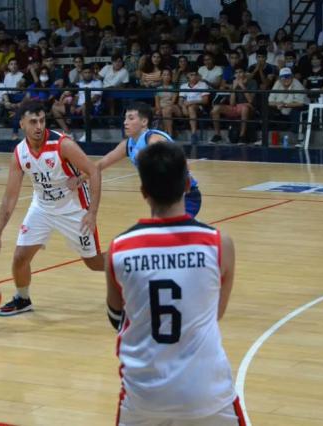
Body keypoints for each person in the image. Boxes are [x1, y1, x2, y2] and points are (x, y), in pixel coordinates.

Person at [105, 141, 242, 426]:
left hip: (143, 394)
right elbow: (216, 312)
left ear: (143, 192)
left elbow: (115, 315)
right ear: (187, 185)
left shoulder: (119, 249)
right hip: (206, 392)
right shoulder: (219, 244)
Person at [0, 101, 104, 316]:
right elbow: (10, 197)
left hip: (74, 208)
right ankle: (23, 298)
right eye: (33, 122)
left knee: (94, 263)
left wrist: (92, 213)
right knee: (20, 257)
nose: (39, 126)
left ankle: (129, 262)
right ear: (22, 124)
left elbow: (94, 172)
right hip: (42, 207)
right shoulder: (20, 153)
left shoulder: (62, 145)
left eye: (42, 121)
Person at [78, 102, 203, 217]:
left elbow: (183, 163)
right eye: (125, 118)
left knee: (171, 233)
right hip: (161, 197)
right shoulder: (128, 144)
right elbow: (100, 164)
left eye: (131, 118)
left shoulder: (154, 141)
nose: (125, 122)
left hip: (183, 196)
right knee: (163, 234)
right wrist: (78, 179)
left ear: (144, 121)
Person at [268, 67, 309, 143]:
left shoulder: (297, 84)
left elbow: (300, 103)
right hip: (283, 106)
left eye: (288, 76)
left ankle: (296, 137)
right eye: (283, 77)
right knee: (268, 110)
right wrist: (279, 104)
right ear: (280, 78)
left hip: (301, 106)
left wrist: (285, 105)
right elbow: (270, 101)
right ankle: (269, 135)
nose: (286, 79)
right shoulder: (277, 83)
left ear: (292, 77)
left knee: (295, 111)